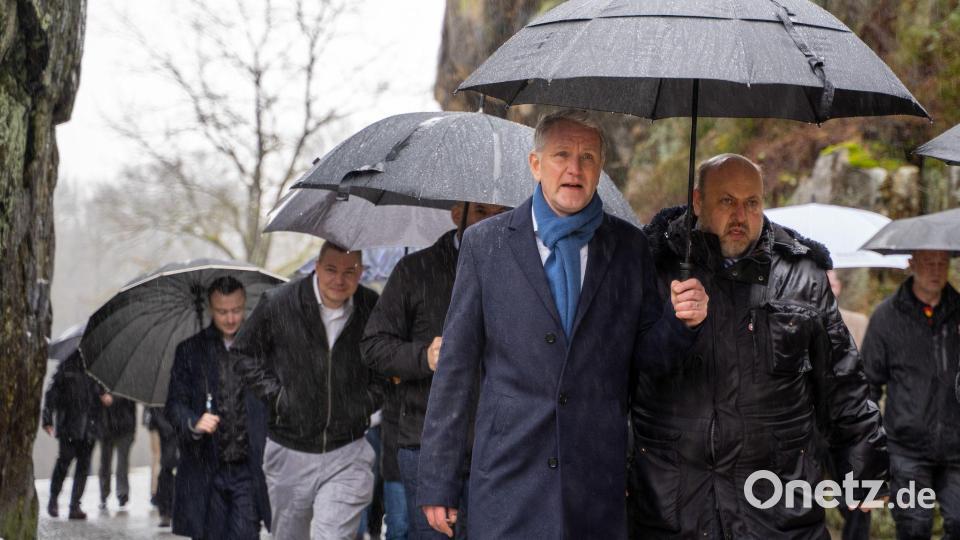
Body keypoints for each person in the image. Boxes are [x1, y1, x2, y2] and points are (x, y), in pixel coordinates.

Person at [416, 109, 707, 539]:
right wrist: (439, 479)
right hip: (507, 479)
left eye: (588, 157)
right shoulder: (485, 244)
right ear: (536, 165)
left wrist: (684, 322)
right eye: (562, 155)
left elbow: (648, 357)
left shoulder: (628, 247)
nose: (575, 168)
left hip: (595, 482)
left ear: (600, 169)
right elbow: (456, 368)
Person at [632, 154, 887, 539]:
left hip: (776, 500)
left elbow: (841, 377)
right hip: (673, 499)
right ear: (698, 202)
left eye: (752, 202)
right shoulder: (652, 266)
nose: (741, 216)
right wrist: (675, 323)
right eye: (727, 201)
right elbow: (621, 372)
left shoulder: (802, 273)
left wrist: (864, 467)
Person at [361, 201, 505, 539]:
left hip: (498, 445)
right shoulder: (414, 270)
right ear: (458, 213)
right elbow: (373, 346)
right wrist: (424, 356)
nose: (492, 221)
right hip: (427, 444)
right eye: (482, 212)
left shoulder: (523, 272)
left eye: (501, 213)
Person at [235, 242, 385, 540]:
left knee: (331, 536)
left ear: (362, 272)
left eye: (350, 271)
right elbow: (244, 354)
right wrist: (278, 397)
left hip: (349, 448)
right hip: (290, 448)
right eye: (331, 269)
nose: (339, 280)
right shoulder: (279, 302)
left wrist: (367, 401)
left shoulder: (371, 307)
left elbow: (385, 360)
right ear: (316, 267)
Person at [863, 249, 960, 540]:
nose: (935, 270)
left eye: (942, 263)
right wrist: (871, 445)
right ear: (911, 264)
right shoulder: (886, 316)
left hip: (956, 447)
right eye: (928, 262)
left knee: (959, 521)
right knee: (914, 526)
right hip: (906, 449)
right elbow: (867, 384)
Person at [165, 276, 271, 539]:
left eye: (237, 310)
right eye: (223, 311)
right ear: (211, 308)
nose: (231, 318)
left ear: (245, 305)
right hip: (205, 468)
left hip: (249, 466)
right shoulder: (190, 351)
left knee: (245, 533)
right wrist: (194, 421)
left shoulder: (262, 348)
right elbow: (174, 404)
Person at [824, 269, 873, 540]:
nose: (828, 289)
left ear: (840, 288)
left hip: (848, 424)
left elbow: (868, 373)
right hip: (809, 424)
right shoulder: (794, 322)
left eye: (831, 284)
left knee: (858, 498)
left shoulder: (859, 323)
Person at [41, 350, 113, 519]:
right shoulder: (67, 366)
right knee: (64, 462)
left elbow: (103, 393)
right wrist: (47, 418)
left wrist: (105, 397)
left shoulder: (97, 369)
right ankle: (54, 498)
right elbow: (52, 393)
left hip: (90, 426)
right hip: (70, 425)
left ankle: (75, 505)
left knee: (83, 466)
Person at [98, 393, 136, 510]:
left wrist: (114, 399)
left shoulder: (129, 380)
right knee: (105, 463)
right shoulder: (100, 383)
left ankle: (122, 494)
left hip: (125, 426)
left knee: (122, 463)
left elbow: (132, 398)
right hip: (106, 426)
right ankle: (104, 494)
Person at [147, 405, 178, 528]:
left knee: (169, 471)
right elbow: (155, 416)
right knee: (166, 470)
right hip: (168, 435)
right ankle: (166, 509)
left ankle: (169, 509)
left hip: (177, 431)